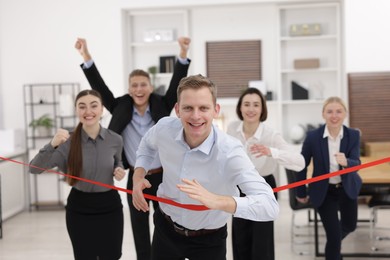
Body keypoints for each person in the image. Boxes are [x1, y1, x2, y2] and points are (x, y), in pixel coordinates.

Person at [132, 74, 279, 260]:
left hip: (209, 241)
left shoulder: (230, 151)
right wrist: (138, 175)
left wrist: (217, 201)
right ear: (177, 110)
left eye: (203, 108)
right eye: (188, 108)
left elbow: (270, 206)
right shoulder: (164, 128)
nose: (195, 116)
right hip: (165, 230)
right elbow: (146, 146)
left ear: (215, 110)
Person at [75, 37, 191, 260]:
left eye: (143, 85)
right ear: (129, 88)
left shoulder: (162, 104)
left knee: (166, 227)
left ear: (150, 87)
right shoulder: (120, 105)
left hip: (162, 177)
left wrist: (183, 53)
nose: (139, 89)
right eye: (134, 85)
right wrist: (85, 55)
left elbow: (178, 81)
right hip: (136, 178)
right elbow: (98, 86)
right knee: (139, 230)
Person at [29, 89, 126, 260]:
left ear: (102, 109)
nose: (88, 111)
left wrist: (119, 170)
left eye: (93, 106)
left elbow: (118, 161)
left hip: (110, 207)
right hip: (80, 208)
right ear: (76, 111)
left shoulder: (115, 139)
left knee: (111, 256)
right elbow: (34, 168)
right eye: (82, 107)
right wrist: (52, 144)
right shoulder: (66, 143)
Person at [226, 87, 305, 260]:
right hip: (239, 188)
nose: (251, 109)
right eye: (246, 104)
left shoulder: (270, 134)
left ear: (262, 109)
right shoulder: (232, 129)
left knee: (262, 242)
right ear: (240, 108)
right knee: (240, 238)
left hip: (264, 188)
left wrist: (272, 152)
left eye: (256, 105)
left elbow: (299, 162)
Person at [296, 96, 362, 260]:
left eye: (339, 111)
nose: (334, 115)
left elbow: (357, 163)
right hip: (324, 191)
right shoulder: (312, 137)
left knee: (350, 226)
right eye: (330, 111)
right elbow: (301, 164)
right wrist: (301, 191)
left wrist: (347, 162)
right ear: (323, 114)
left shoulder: (353, 135)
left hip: (346, 188)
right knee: (333, 237)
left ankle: (334, 245)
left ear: (345, 114)